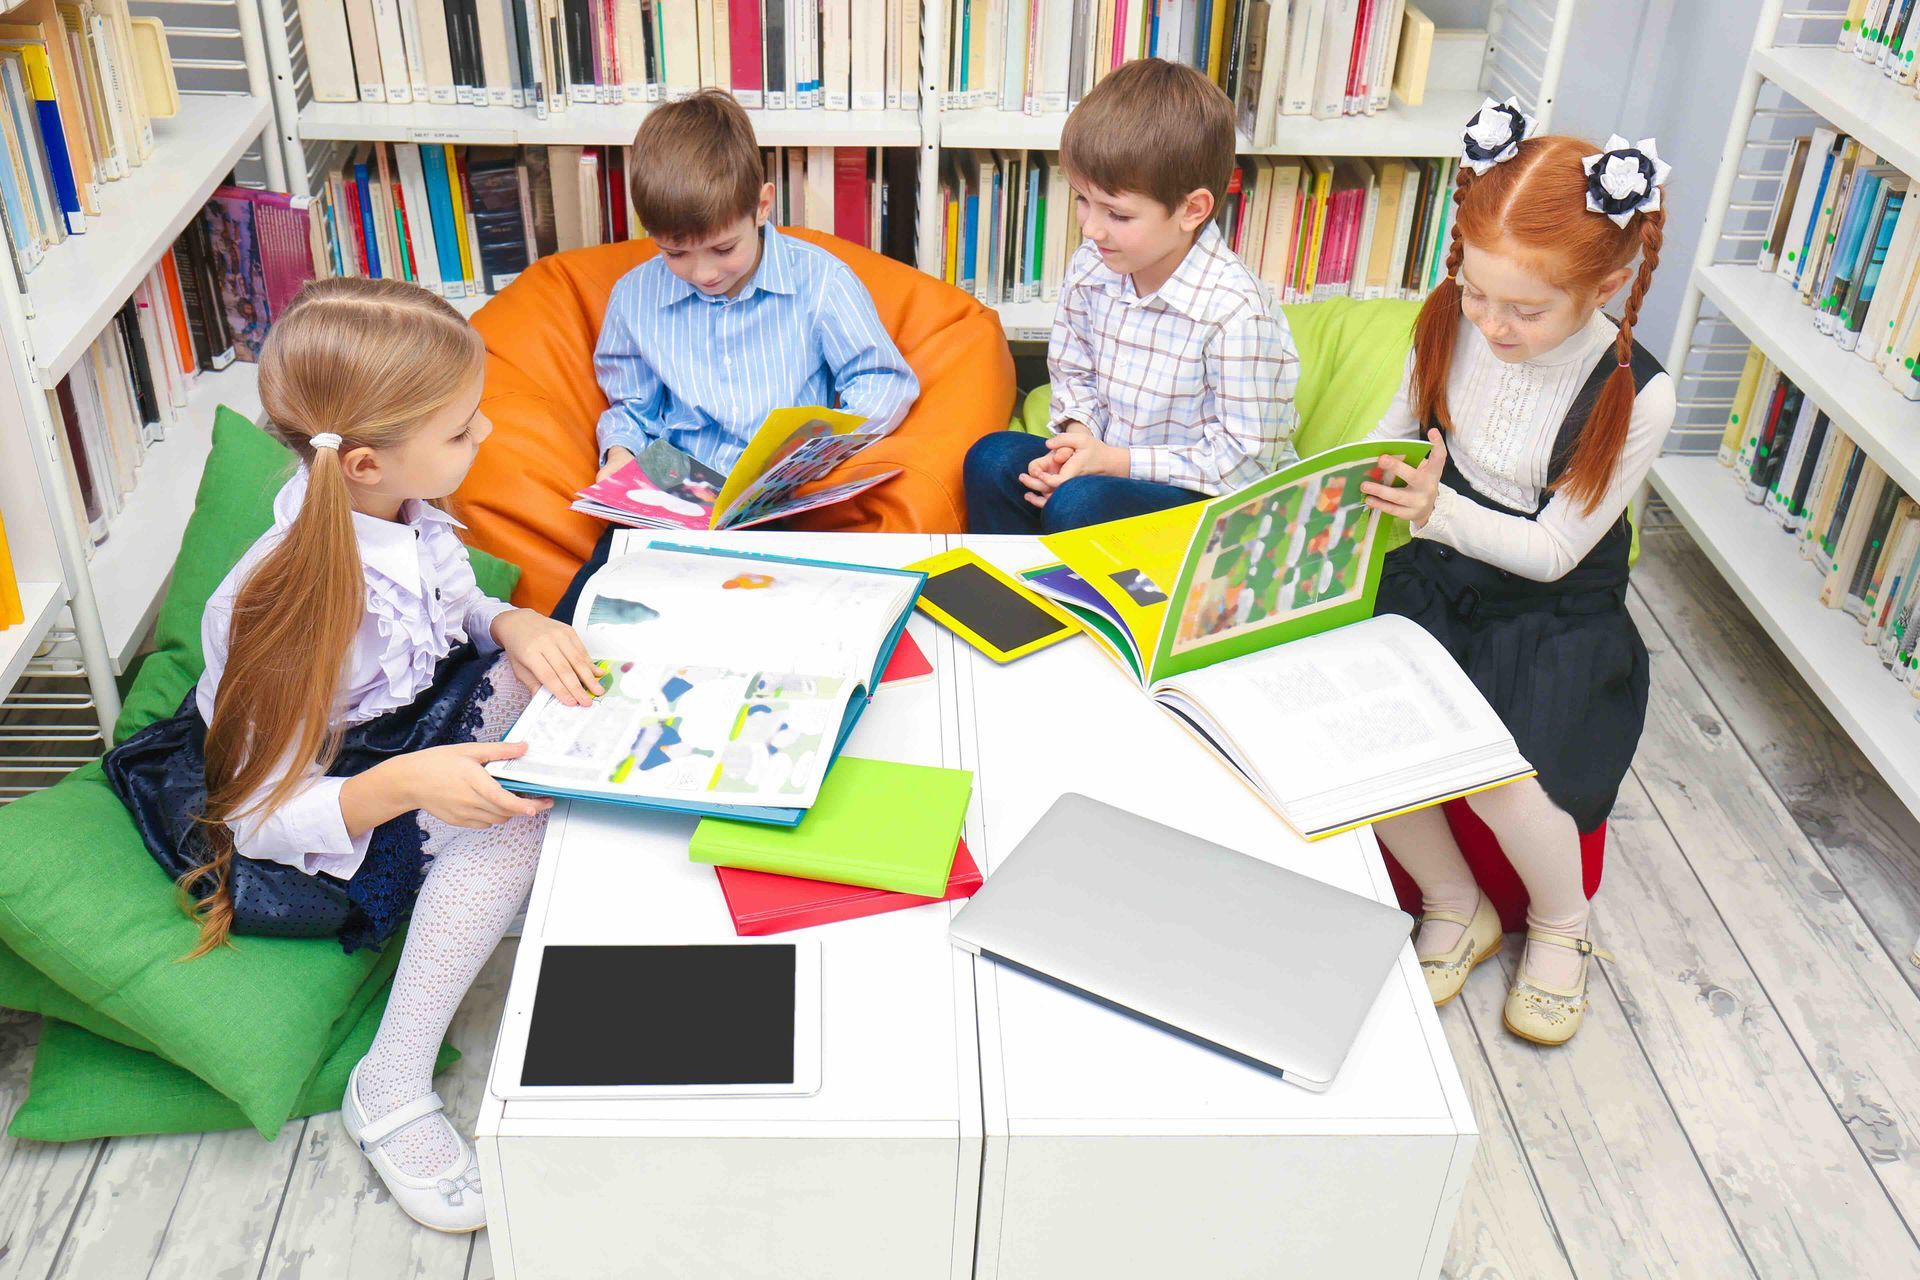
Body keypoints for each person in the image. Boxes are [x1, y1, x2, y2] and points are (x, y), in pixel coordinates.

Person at [102, 277, 601, 1232]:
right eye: (462, 432)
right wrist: (408, 785)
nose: (485, 438)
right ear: (367, 460)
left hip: (391, 733)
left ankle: (468, 863)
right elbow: (253, 810)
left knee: (568, 691)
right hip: (303, 800)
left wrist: (512, 620)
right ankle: (393, 1078)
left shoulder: (398, 509)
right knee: (517, 830)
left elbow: (452, 608)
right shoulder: (286, 607)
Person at [1359, 102, 1677, 1047]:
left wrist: (1437, 510)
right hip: (1437, 579)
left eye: (1525, 310)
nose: (1490, 324)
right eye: (1476, 291)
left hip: (1553, 612)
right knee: (1373, 746)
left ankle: (1562, 927)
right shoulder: (1453, 319)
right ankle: (1456, 900)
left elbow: (1552, 552)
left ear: (1608, 285)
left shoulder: (1637, 391)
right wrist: (1353, 478)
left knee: (1503, 777)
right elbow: (1392, 428)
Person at [558, 89, 920, 619]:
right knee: (598, 597)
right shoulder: (635, 296)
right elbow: (632, 407)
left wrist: (821, 443)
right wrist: (619, 457)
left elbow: (882, 379)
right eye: (675, 252)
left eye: (724, 248)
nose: (703, 273)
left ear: (762, 206)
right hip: (676, 489)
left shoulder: (819, 280)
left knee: (774, 613)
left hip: (781, 493)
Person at [963, 57, 1299, 535]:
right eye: (1082, 199)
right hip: (1107, 466)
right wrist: (1075, 443)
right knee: (991, 458)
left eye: (1117, 214)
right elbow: (1074, 373)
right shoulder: (1094, 265)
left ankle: (1076, 592)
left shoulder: (1235, 312)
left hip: (1212, 501)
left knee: (1079, 504)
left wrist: (1114, 462)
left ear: (1191, 209)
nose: (1092, 227)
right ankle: (1014, 589)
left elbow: (1244, 463)